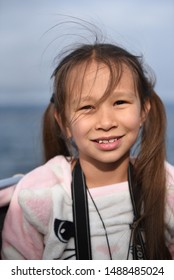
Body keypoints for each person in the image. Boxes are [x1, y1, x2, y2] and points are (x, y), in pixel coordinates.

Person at [1, 42, 174, 260]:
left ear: (143, 111)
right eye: (87, 107)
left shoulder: (165, 184)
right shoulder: (38, 194)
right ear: (64, 122)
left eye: (120, 102)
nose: (106, 122)